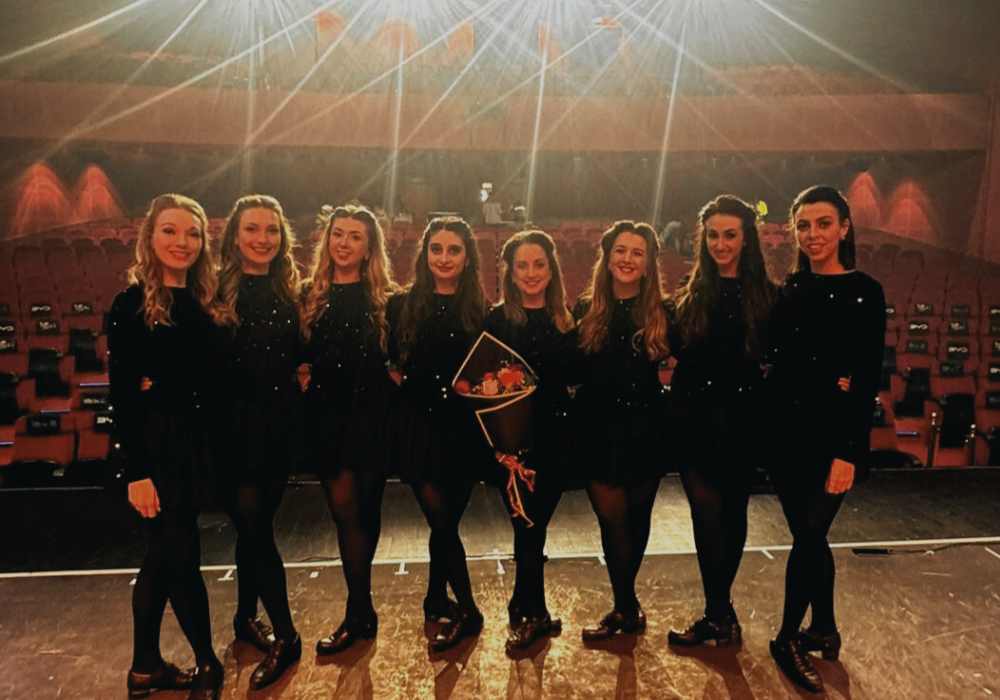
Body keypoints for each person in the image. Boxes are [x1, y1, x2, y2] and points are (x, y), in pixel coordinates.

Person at [767, 186, 885, 693]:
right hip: (787, 432)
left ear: (844, 227)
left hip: (833, 437)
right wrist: (829, 378)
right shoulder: (790, 289)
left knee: (810, 534)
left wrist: (848, 453)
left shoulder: (867, 291)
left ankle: (788, 637)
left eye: (823, 223)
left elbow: (864, 379)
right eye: (804, 225)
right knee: (809, 537)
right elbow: (781, 362)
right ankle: (826, 628)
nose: (813, 234)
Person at [108, 194, 226, 700]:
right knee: (182, 554)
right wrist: (137, 471)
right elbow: (123, 394)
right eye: (170, 231)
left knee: (163, 554)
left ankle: (144, 669)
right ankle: (207, 662)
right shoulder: (130, 304)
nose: (182, 243)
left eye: (193, 234)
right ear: (149, 238)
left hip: (194, 441)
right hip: (156, 447)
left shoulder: (204, 302)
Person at [666, 195, 777, 647]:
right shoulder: (689, 295)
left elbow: (788, 356)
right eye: (712, 235)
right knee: (705, 513)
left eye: (730, 234)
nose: (720, 243)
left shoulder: (770, 298)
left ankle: (719, 612)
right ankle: (719, 612)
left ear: (747, 239)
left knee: (732, 514)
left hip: (743, 416)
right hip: (693, 414)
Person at [387, 216, 490, 652]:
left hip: (466, 431)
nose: (444, 258)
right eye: (436, 249)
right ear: (424, 254)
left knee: (446, 521)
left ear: (467, 259)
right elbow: (390, 363)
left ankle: (434, 598)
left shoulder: (482, 310)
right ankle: (468, 609)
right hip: (421, 427)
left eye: (454, 250)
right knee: (442, 521)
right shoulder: (400, 306)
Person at [215, 195, 303, 689]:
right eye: (252, 229)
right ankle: (286, 635)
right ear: (234, 236)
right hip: (230, 423)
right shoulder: (212, 289)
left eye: (272, 230)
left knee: (257, 525)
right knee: (254, 527)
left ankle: (246, 617)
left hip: (278, 422)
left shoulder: (292, 290)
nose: (263, 238)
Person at [301, 204, 396, 655]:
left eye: (354, 236)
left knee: (368, 510)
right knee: (344, 509)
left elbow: (405, 355)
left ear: (368, 247)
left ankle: (359, 610)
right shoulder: (307, 294)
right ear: (327, 240)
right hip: (326, 415)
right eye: (338, 234)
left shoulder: (387, 299)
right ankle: (359, 609)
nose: (344, 243)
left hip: (374, 414)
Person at [573, 221, 670, 641]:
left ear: (648, 264)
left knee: (637, 520)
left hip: (646, 425)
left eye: (637, 253)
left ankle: (625, 607)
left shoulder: (665, 312)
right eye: (621, 251)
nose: (628, 259)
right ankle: (626, 604)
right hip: (597, 426)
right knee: (611, 518)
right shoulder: (584, 308)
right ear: (607, 257)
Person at [483, 230, 579, 652]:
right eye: (522, 265)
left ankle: (524, 604)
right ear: (509, 272)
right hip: (514, 444)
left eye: (539, 264)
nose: (531, 273)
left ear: (551, 269)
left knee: (536, 525)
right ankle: (532, 611)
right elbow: (485, 387)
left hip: (557, 438)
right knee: (527, 525)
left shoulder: (565, 319)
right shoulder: (497, 320)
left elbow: (573, 377)